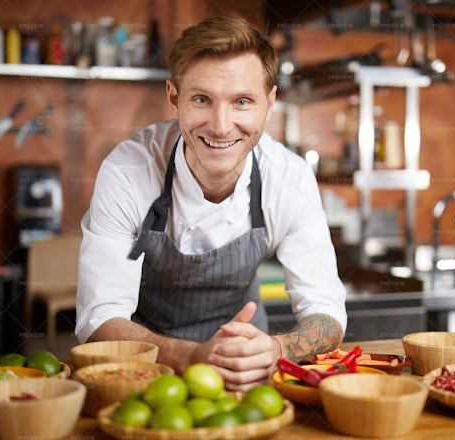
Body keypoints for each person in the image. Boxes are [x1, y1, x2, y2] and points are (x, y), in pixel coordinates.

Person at [75, 16, 347, 391]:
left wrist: (277, 348)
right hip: (145, 373)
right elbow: (99, 318)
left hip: (248, 375)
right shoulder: (128, 171)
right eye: (202, 99)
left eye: (242, 102)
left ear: (269, 104)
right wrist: (187, 356)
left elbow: (327, 311)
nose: (221, 126)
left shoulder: (289, 178)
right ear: (174, 98)